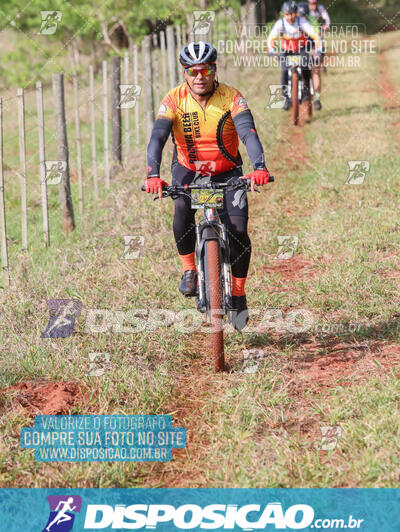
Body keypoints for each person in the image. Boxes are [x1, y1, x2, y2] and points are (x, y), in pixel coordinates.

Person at [144, 41, 271, 330]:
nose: (199, 76)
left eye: (205, 70)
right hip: (188, 171)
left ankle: (237, 295)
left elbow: (248, 134)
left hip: (228, 173)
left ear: (214, 70)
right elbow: (157, 138)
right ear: (184, 73)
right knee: (181, 206)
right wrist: (153, 174)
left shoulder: (231, 97)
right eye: (192, 71)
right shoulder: (173, 100)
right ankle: (189, 270)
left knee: (238, 230)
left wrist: (259, 167)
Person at [267, 1, 321, 111]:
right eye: (287, 14)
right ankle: (286, 98)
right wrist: (272, 52)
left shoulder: (302, 22)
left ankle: (306, 92)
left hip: (301, 49)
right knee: (285, 71)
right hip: (286, 50)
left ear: (296, 14)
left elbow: (315, 35)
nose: (290, 17)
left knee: (306, 67)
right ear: (283, 14)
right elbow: (270, 39)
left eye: (292, 14)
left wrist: (318, 50)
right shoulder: (280, 24)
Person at [308, 0, 331, 107]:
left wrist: (326, 25)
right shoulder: (304, 10)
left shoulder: (320, 8)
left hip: (317, 34)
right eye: (312, 4)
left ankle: (317, 97)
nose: (313, 6)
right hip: (304, 38)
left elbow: (326, 18)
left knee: (316, 67)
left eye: (315, 4)